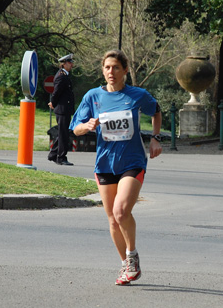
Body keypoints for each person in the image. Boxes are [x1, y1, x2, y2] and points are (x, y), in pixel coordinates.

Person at [69, 50, 163, 285]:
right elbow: (75, 128)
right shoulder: (93, 96)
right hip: (104, 163)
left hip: (132, 162)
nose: (111, 72)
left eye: (116, 68)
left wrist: (155, 137)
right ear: (103, 70)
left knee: (121, 212)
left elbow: (156, 111)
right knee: (112, 219)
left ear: (125, 71)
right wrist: (87, 126)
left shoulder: (137, 95)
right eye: (107, 68)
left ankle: (132, 257)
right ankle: (125, 265)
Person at [48, 53, 75, 165]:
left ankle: (53, 154)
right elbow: (56, 92)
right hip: (62, 110)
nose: (72, 64)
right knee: (63, 134)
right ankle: (61, 157)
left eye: (71, 62)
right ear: (63, 64)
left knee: (62, 133)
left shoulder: (65, 75)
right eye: (69, 62)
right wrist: (53, 103)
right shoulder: (61, 76)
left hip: (65, 109)